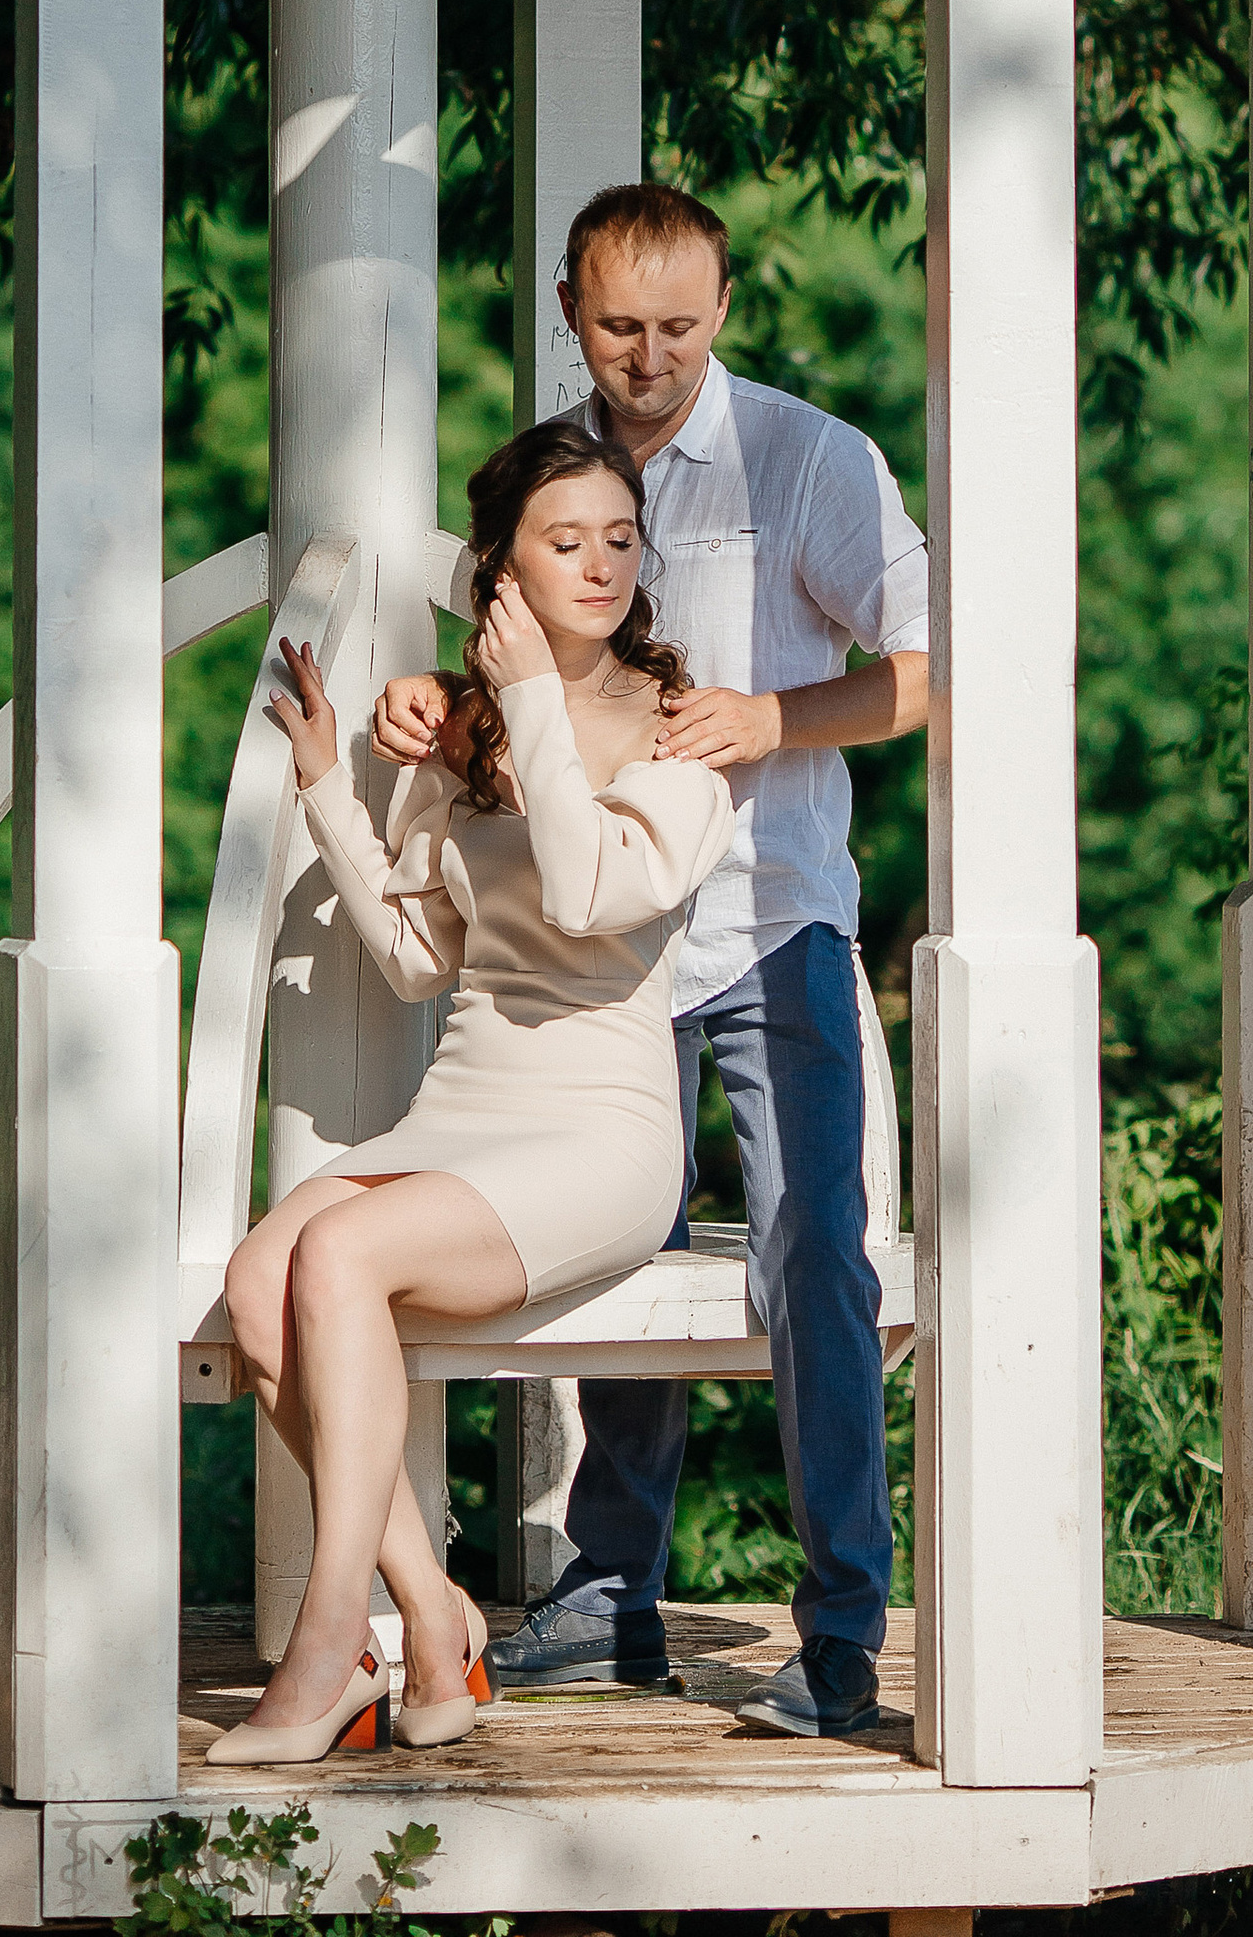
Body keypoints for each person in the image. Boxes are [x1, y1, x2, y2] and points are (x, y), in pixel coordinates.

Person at [374, 178, 929, 1743]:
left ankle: (839, 1638)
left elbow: (935, 669)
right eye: (620, 326)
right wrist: (434, 704)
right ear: (573, 312)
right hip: (595, 949)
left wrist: (776, 717)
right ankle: (611, 1597)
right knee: (614, 1250)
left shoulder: (810, 458)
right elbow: (536, 669)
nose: (650, 356)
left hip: (769, 924)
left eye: (680, 325)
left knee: (813, 1252)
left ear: (724, 308)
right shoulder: (558, 475)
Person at [211, 417, 735, 1769]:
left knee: (336, 1252)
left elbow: (585, 893)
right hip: (468, 1104)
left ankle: (336, 1644)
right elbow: (409, 960)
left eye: (621, 537)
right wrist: (337, 783)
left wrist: (541, 713)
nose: (603, 562)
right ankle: (438, 1616)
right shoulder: (465, 740)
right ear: (501, 568)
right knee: (266, 1271)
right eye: (568, 542)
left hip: (600, 1130)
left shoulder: (681, 732)